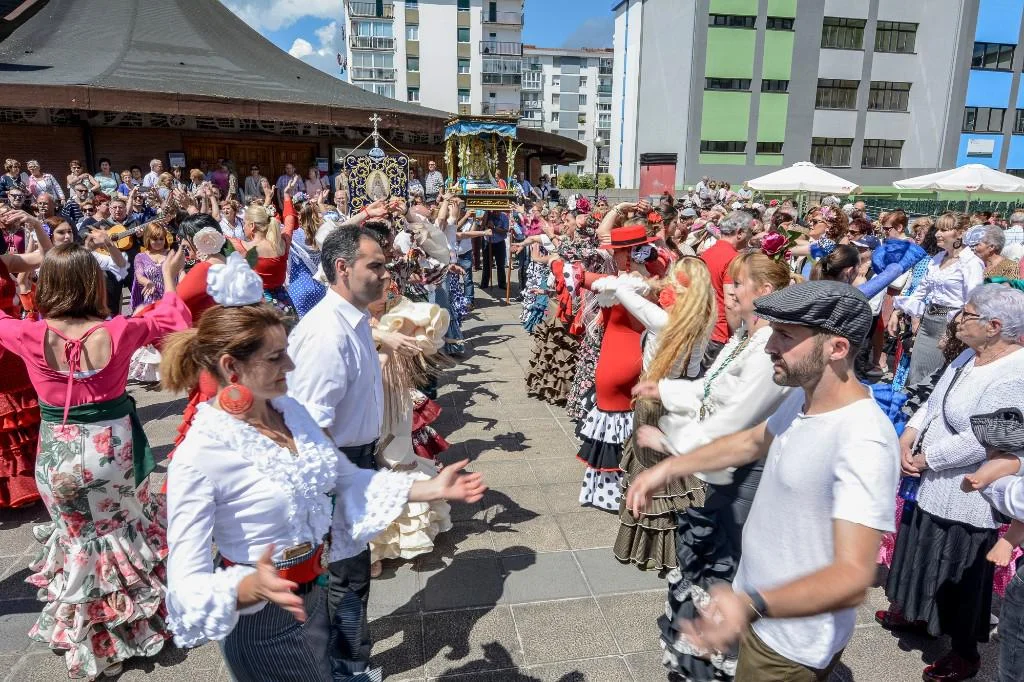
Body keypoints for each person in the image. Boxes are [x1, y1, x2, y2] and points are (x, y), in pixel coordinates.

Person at [162, 254, 484, 682]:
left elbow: (341, 477)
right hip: (261, 620)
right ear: (231, 366)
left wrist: (431, 489)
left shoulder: (289, 411)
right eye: (276, 358)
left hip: (314, 597)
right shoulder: (200, 453)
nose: (290, 366)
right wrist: (245, 587)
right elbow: (184, 580)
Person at [628, 279, 900, 682]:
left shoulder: (864, 439)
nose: (770, 346)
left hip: (789, 645)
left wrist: (750, 605)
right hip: (761, 617)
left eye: (785, 336)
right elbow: (750, 442)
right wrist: (670, 467)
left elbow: (853, 576)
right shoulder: (804, 398)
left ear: (837, 348)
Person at [0, 242, 188, 679]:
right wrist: (171, 277)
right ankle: (131, 627)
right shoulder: (119, 331)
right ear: (93, 283)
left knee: (78, 542)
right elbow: (174, 319)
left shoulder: (29, 334)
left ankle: (89, 635)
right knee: (120, 536)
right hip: (111, 450)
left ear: (47, 285)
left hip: (57, 455)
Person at [629, 251, 795, 679]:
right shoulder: (744, 337)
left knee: (723, 564)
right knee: (701, 563)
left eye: (738, 283)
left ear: (766, 292)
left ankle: (715, 657)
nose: (729, 290)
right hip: (717, 470)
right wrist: (664, 391)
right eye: (729, 281)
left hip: (740, 475)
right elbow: (709, 390)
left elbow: (736, 418)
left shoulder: (766, 347)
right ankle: (697, 656)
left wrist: (672, 445)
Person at [877, 284, 1024, 682]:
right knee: (920, 552)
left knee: (957, 571)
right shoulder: (967, 355)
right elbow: (934, 401)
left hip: (966, 494)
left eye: (967, 313)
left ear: (994, 327)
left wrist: (929, 458)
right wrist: (909, 435)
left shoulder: (1014, 373)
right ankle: (918, 615)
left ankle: (963, 654)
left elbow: (984, 438)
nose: (957, 319)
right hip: (932, 481)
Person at [286, 227, 391, 680]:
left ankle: (341, 661)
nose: (385, 274)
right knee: (346, 577)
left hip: (353, 460)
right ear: (343, 268)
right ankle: (346, 669)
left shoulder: (353, 319)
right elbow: (311, 426)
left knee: (349, 573)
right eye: (376, 265)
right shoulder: (328, 333)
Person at [606, 257, 715, 571]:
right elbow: (693, 371)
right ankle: (684, 538)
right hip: (682, 398)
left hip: (653, 399)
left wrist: (641, 283)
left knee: (650, 469)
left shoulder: (661, 320)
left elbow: (620, 289)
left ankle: (653, 547)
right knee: (676, 470)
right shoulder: (703, 320)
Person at [891, 212, 984, 394]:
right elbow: (920, 292)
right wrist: (897, 312)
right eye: (938, 229)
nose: (937, 234)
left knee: (935, 380)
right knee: (916, 375)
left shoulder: (971, 263)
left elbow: (973, 301)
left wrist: (953, 332)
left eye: (944, 229)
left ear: (960, 233)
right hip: (928, 323)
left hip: (951, 326)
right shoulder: (937, 259)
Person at [0, 210, 51, 509]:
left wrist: (34, 224)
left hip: (9, 346)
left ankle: (28, 483)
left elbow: (45, 256)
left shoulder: (4, 260)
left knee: (20, 414)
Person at [699, 211, 752, 372]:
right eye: (749, 232)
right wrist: (737, 337)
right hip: (720, 334)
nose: (750, 237)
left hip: (703, 330)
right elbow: (731, 303)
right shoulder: (734, 259)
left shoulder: (706, 253)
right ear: (740, 233)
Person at [478, 211, 508, 291]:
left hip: (499, 243)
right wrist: (486, 216)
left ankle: (502, 283)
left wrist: (494, 227)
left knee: (500, 264)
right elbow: (482, 227)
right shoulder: (487, 215)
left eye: (496, 211)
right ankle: (484, 283)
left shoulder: (504, 217)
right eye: (493, 211)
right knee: (486, 264)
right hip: (488, 242)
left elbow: (505, 230)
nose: (494, 212)